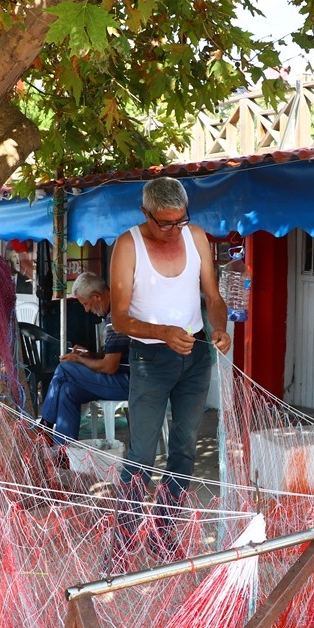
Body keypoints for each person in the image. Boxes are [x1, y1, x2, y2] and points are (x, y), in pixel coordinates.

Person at [110, 178, 231, 552]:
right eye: (165, 222)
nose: (173, 229)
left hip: (195, 355)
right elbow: (119, 319)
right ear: (145, 213)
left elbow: (213, 296)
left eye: (180, 220)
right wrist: (162, 332)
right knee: (142, 454)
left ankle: (164, 532)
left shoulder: (195, 237)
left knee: (184, 450)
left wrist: (220, 327)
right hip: (150, 358)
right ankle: (123, 540)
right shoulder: (129, 246)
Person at [39, 272, 130, 445]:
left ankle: (45, 426)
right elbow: (111, 357)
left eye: (86, 304)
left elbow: (109, 367)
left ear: (96, 296)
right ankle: (63, 453)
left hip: (129, 382)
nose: (86, 309)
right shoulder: (113, 313)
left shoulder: (116, 317)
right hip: (120, 377)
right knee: (67, 390)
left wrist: (79, 360)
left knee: (65, 368)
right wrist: (90, 355)